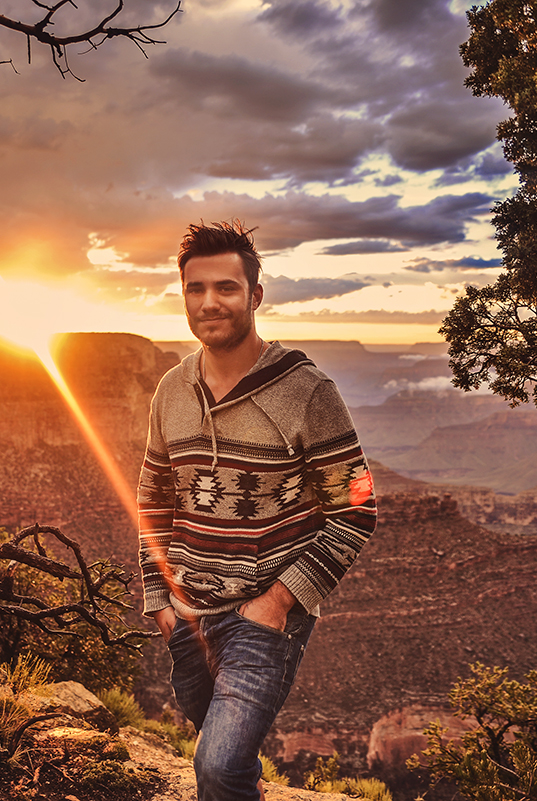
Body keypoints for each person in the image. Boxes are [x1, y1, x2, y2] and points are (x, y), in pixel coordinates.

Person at [138, 220, 377, 800]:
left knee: (216, 766)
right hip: (188, 614)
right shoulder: (171, 390)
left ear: (255, 296)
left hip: (261, 618)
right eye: (196, 289)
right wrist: (158, 597)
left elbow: (357, 508)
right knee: (227, 758)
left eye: (226, 287)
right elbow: (153, 499)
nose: (209, 302)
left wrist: (276, 603)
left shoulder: (306, 391)